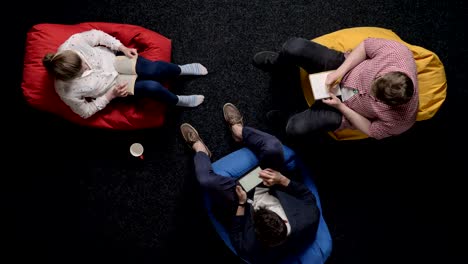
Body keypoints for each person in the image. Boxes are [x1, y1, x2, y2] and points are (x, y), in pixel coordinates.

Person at [180, 103, 320, 263]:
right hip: (269, 183)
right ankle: (239, 132)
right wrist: (282, 179)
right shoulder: (309, 218)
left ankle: (201, 150)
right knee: (273, 147)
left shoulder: (253, 249)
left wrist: (240, 205)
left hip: (242, 198)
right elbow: (306, 195)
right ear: (285, 220)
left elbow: (237, 235)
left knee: (205, 180)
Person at [253, 37, 419, 140]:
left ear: (389, 104)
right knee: (293, 46)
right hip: (344, 69)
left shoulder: (402, 120)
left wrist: (340, 107)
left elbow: (371, 130)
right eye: (376, 80)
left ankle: (286, 117)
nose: (368, 90)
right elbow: (366, 46)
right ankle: (281, 66)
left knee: (293, 129)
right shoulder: (398, 53)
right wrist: (339, 72)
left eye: (375, 96)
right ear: (386, 74)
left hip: (346, 110)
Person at [42, 29, 208, 119]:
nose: (87, 66)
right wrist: (109, 96)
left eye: (83, 62)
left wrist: (122, 48)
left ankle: (181, 69)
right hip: (114, 87)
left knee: (154, 70)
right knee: (152, 87)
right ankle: (177, 101)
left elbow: (99, 35)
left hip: (115, 60)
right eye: (82, 70)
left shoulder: (73, 43)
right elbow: (85, 112)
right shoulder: (65, 91)